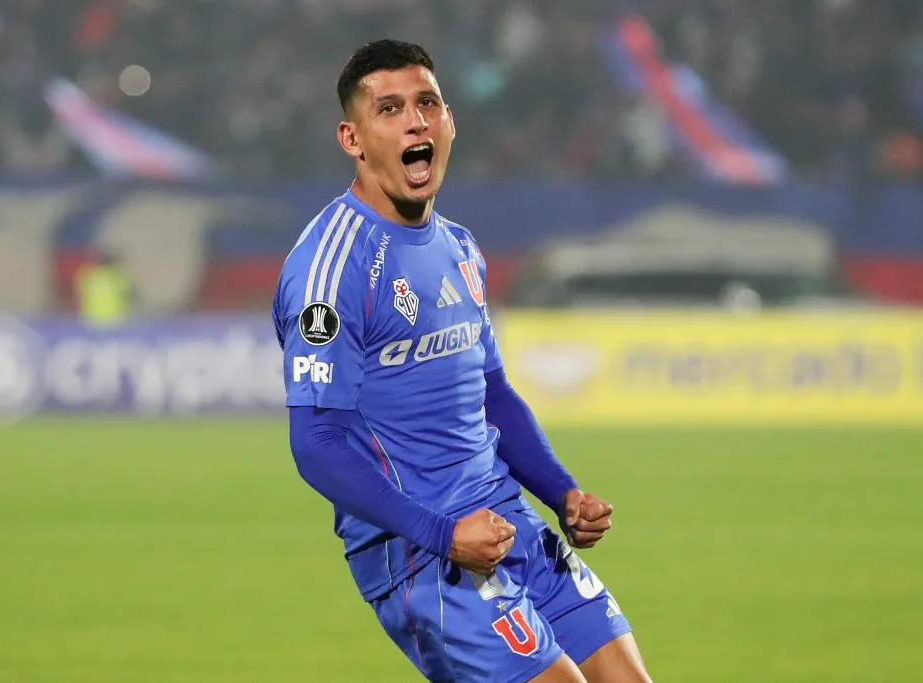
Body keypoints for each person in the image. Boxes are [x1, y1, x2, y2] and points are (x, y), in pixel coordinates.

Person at [272, 39, 653, 683]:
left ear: (450, 122)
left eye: (427, 103)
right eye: (389, 109)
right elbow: (318, 443)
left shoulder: (458, 248)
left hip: (509, 522)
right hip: (425, 555)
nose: (414, 121)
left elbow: (493, 393)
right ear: (353, 138)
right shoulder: (330, 267)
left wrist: (560, 493)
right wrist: (443, 534)